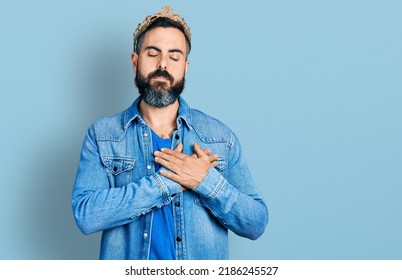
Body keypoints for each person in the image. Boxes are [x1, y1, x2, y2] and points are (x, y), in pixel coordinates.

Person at [72, 5, 268, 260]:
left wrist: (205, 181)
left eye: (174, 57)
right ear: (135, 62)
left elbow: (255, 223)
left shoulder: (220, 138)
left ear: (185, 67)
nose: (163, 64)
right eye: (153, 54)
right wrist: (167, 182)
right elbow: (86, 216)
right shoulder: (103, 136)